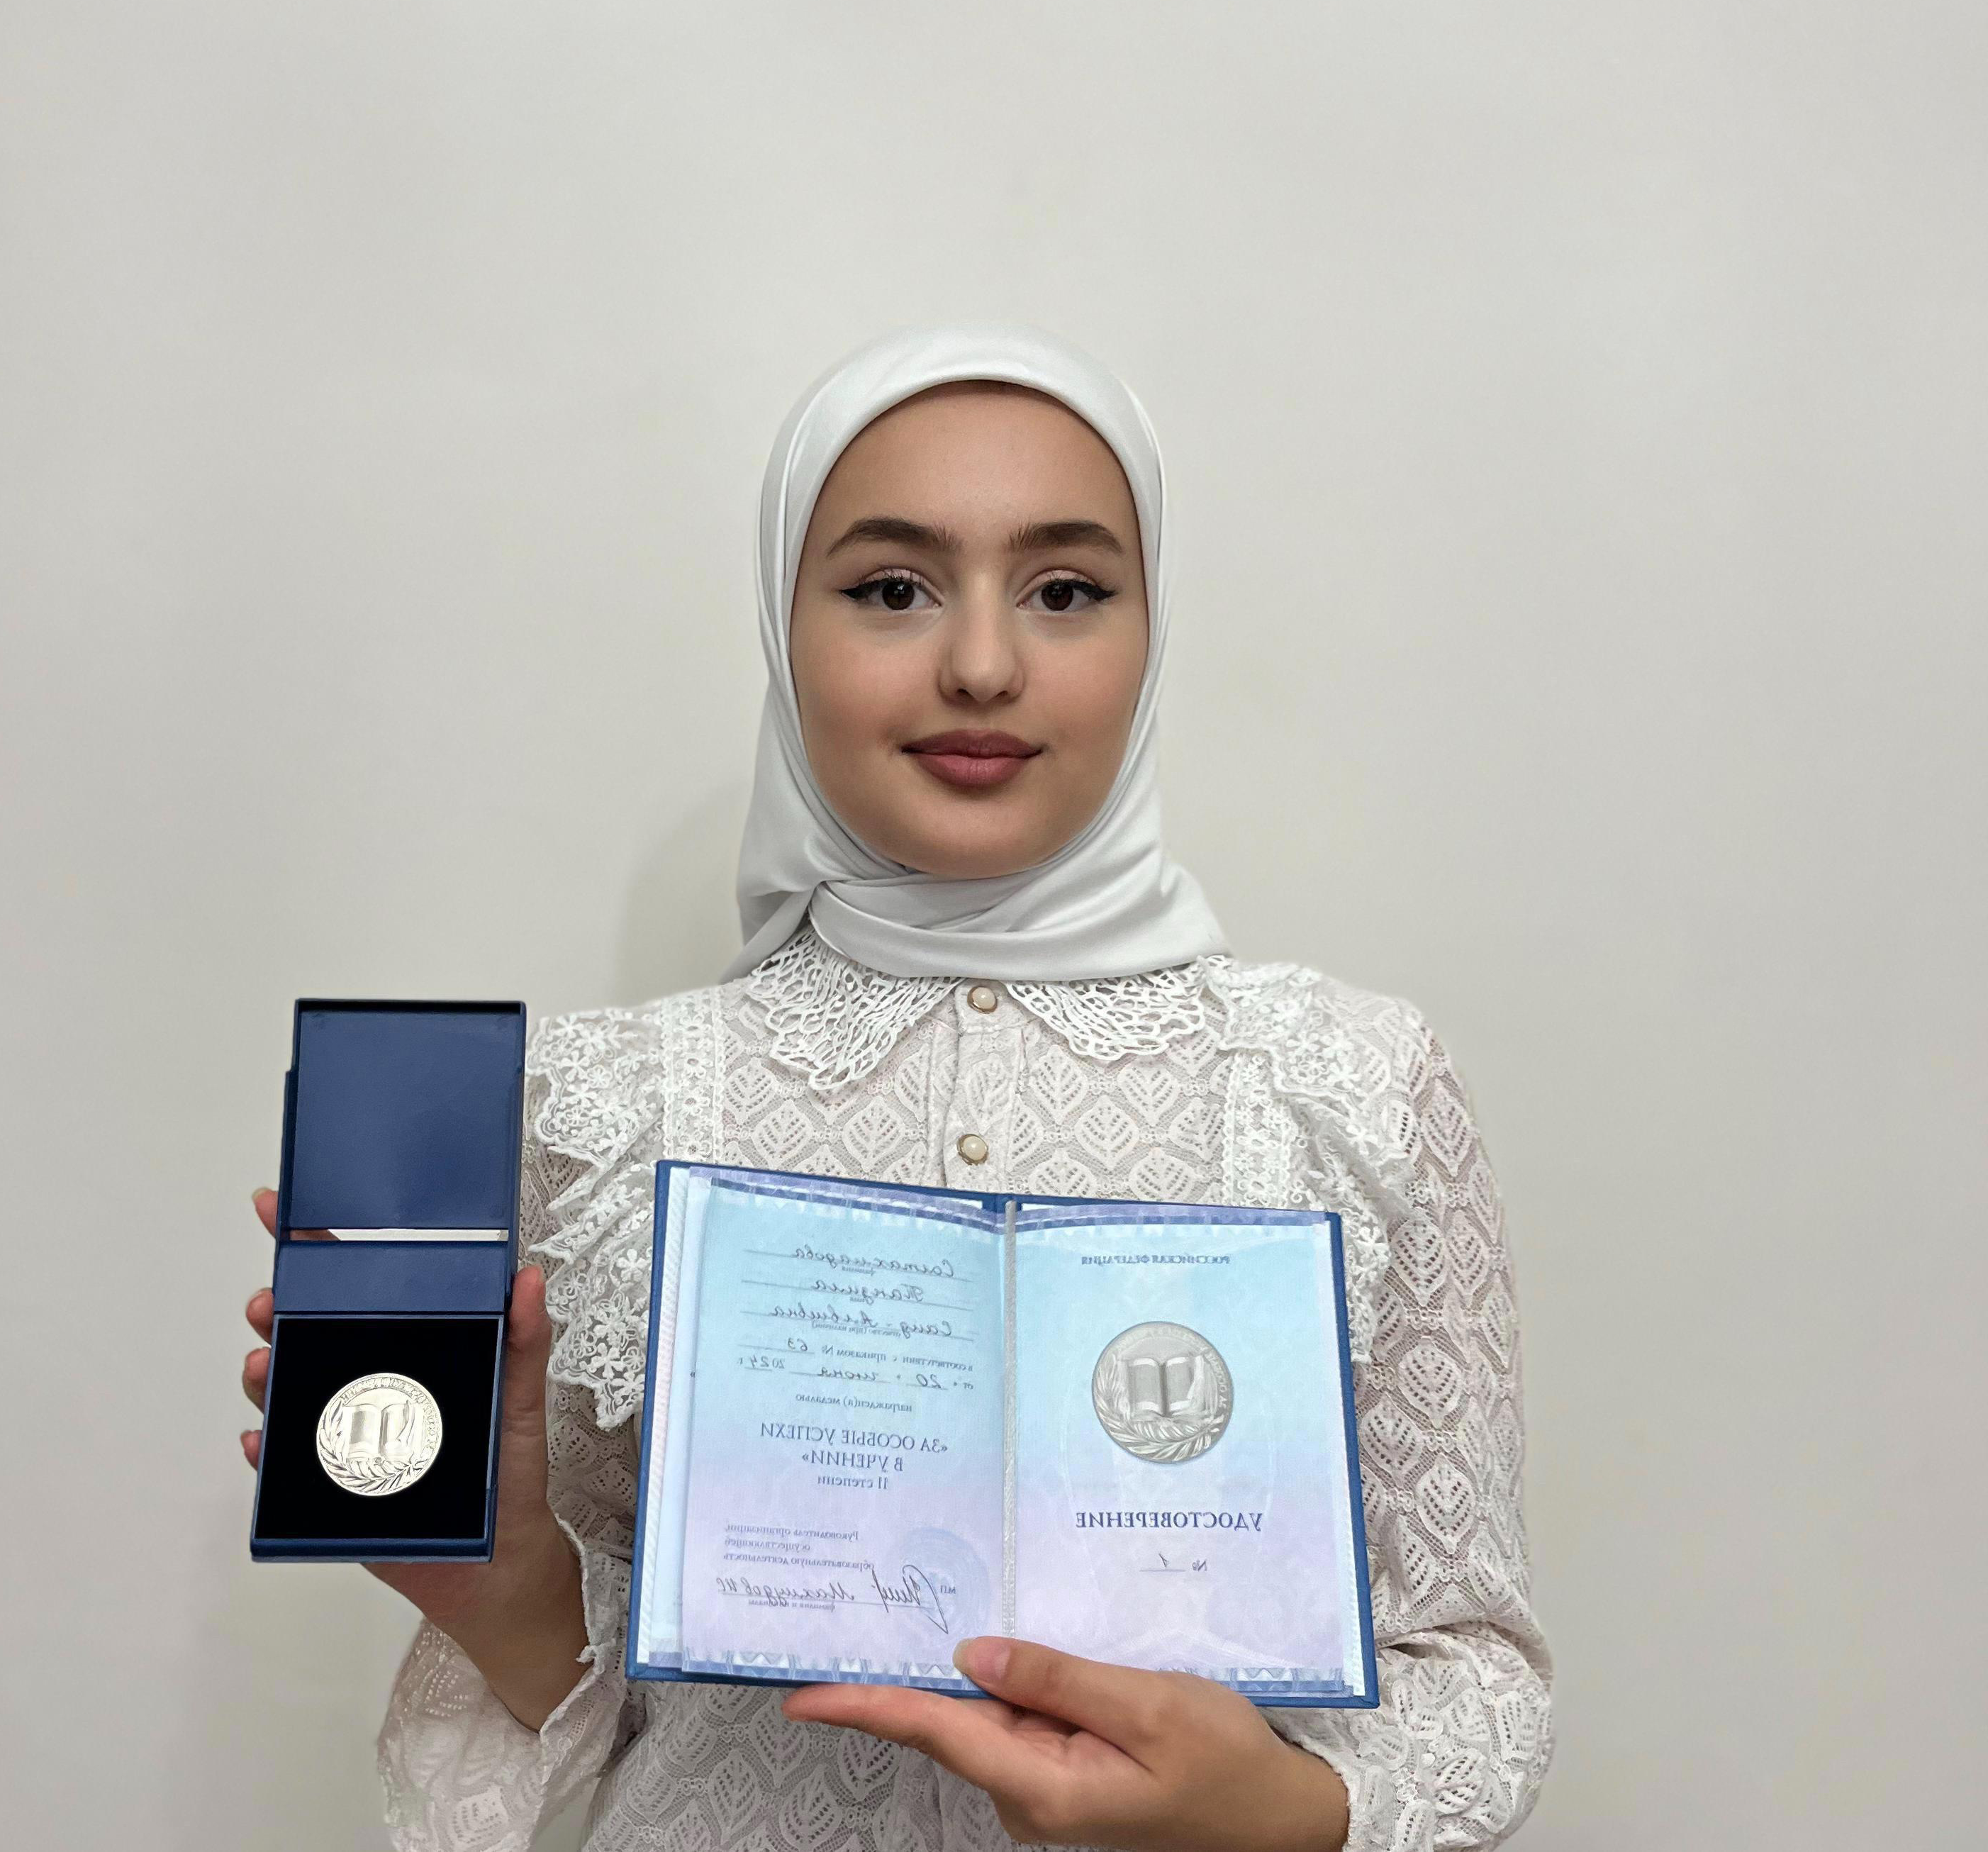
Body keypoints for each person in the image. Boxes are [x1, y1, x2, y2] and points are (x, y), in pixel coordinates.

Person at [239, 327, 1552, 1851]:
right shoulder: (607, 1106)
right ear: (782, 627)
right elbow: (596, 1716)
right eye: (891, 588)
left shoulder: (1354, 1084)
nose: (983, 663)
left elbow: (1478, 1670)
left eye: (1065, 590)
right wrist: (505, 1582)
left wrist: (1283, 1809)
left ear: (1152, 627)